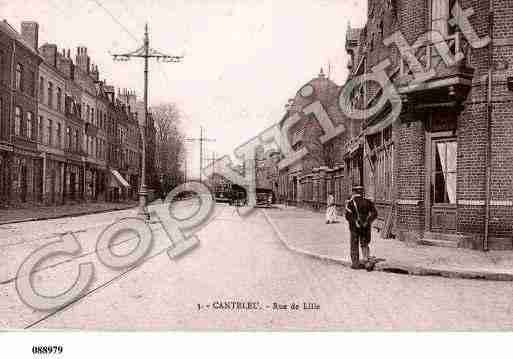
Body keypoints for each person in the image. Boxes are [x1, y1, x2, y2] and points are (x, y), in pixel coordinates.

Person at [345, 185, 378, 270]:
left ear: (354, 192)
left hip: (354, 227)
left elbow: (347, 216)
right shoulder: (368, 202)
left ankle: (355, 263)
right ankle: (366, 261)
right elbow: (374, 213)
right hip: (365, 227)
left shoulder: (350, 203)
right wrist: (368, 221)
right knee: (364, 243)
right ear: (362, 192)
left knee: (354, 244)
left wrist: (355, 222)